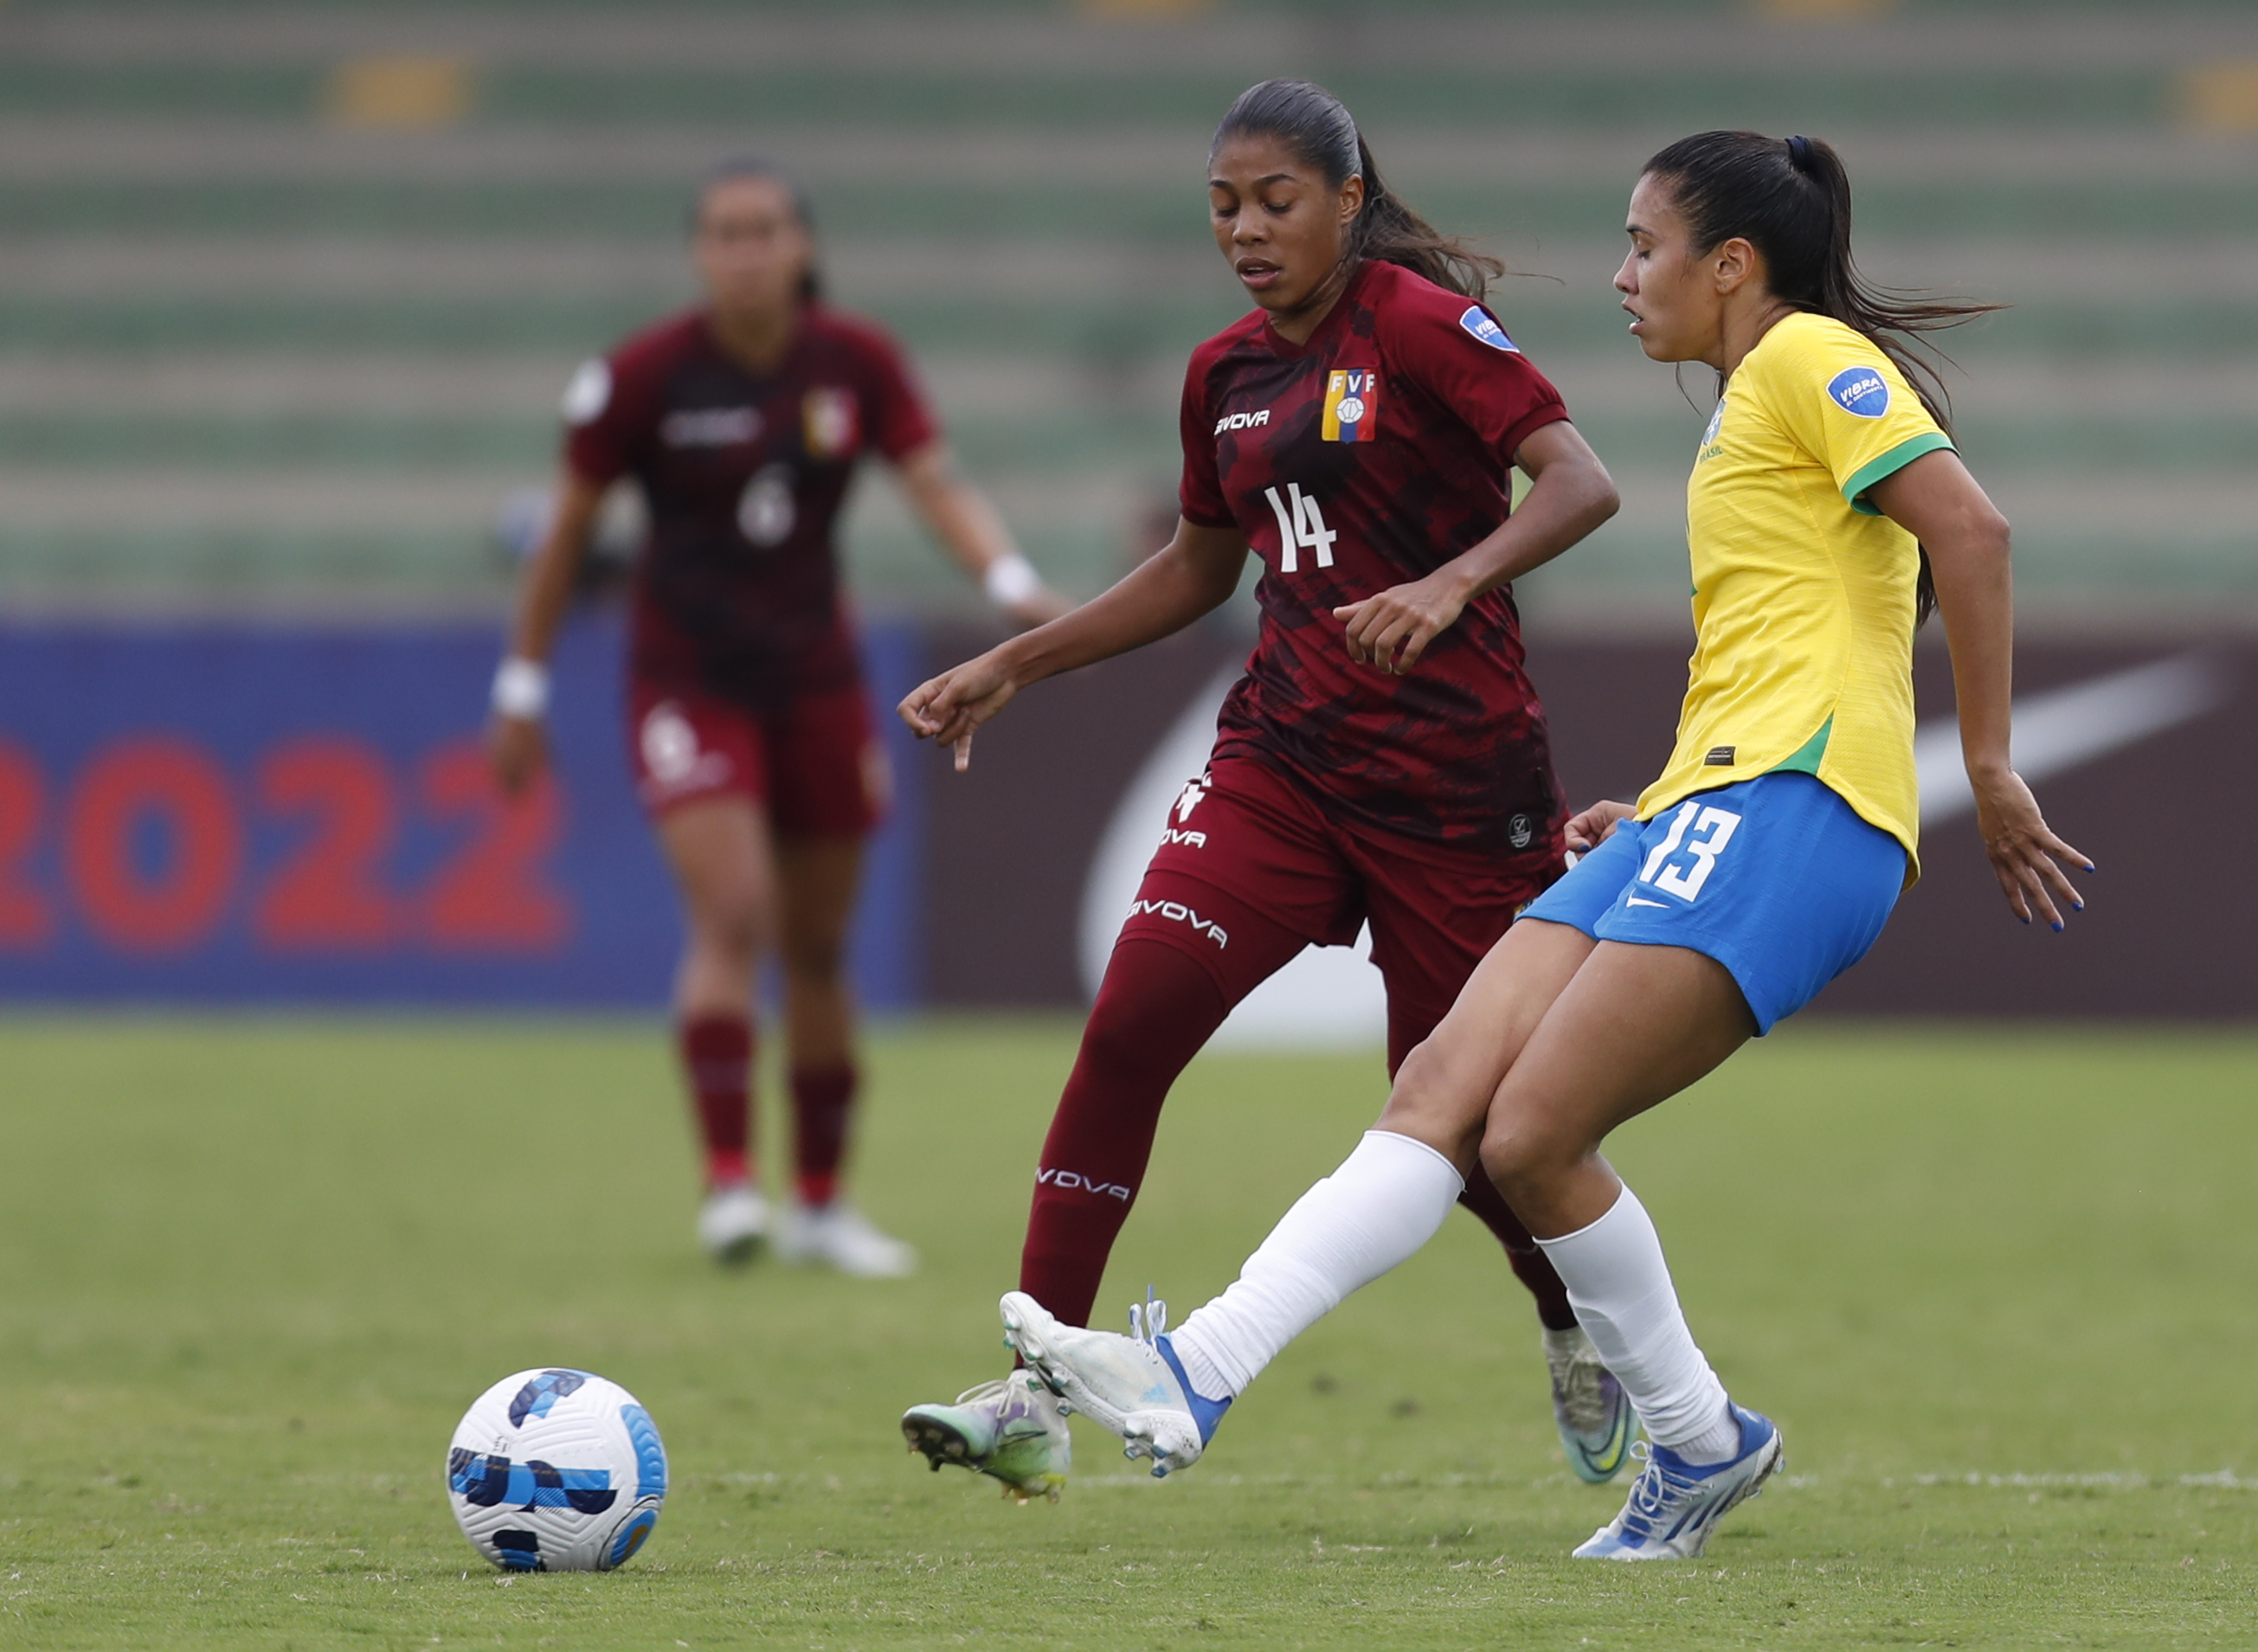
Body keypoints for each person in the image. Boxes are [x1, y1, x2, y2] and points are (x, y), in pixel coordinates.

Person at [995, 130, 2092, 1561]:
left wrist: (1990, 763)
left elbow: (1974, 530)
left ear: (1732, 265)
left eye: (1646, 247)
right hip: (1712, 796)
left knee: (1528, 1132)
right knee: (1448, 1085)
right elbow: (1799, 631)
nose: (1625, 276)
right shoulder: (1752, 399)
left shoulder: (1806, 360)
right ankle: (1202, 1369)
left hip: (1800, 805)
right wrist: (1659, 796)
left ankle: (1690, 1438)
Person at [894, 80, 1627, 1502]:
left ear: (1348, 202)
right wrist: (1016, 663)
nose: (1244, 228)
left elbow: (1578, 480)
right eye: (1223, 204)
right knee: (1133, 1015)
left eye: (1274, 199)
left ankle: (1572, 1317)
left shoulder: (1415, 323)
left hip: (1457, 792)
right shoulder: (1221, 371)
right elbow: (1196, 565)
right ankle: (1038, 1383)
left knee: (1475, 1133)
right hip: (1282, 765)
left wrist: (1451, 575)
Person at [487, 157, 1065, 1275]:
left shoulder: (855, 364)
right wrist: (521, 684)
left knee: (818, 945)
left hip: (817, 680)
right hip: (687, 680)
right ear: (700, 254)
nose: (744, 251)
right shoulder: (644, 378)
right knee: (736, 912)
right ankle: (728, 1187)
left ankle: (818, 1203)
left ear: (801, 246)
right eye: (723, 233)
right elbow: (564, 533)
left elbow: (934, 481)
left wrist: (1008, 584)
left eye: (763, 231)